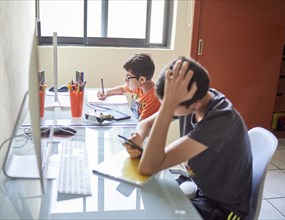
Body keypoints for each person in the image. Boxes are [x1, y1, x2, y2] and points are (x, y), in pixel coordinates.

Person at [124, 57, 252, 219]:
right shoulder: (197, 97)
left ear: (195, 106)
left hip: (224, 207)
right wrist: (139, 137)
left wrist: (169, 107)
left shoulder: (220, 120)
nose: (166, 110)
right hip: (200, 187)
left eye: (169, 107)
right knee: (149, 198)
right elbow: (145, 124)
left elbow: (148, 167)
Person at [97, 53, 160, 121]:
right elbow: (122, 89)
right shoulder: (138, 86)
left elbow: (141, 124)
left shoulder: (153, 98)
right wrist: (106, 92)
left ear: (142, 79)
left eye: (128, 77)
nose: (126, 80)